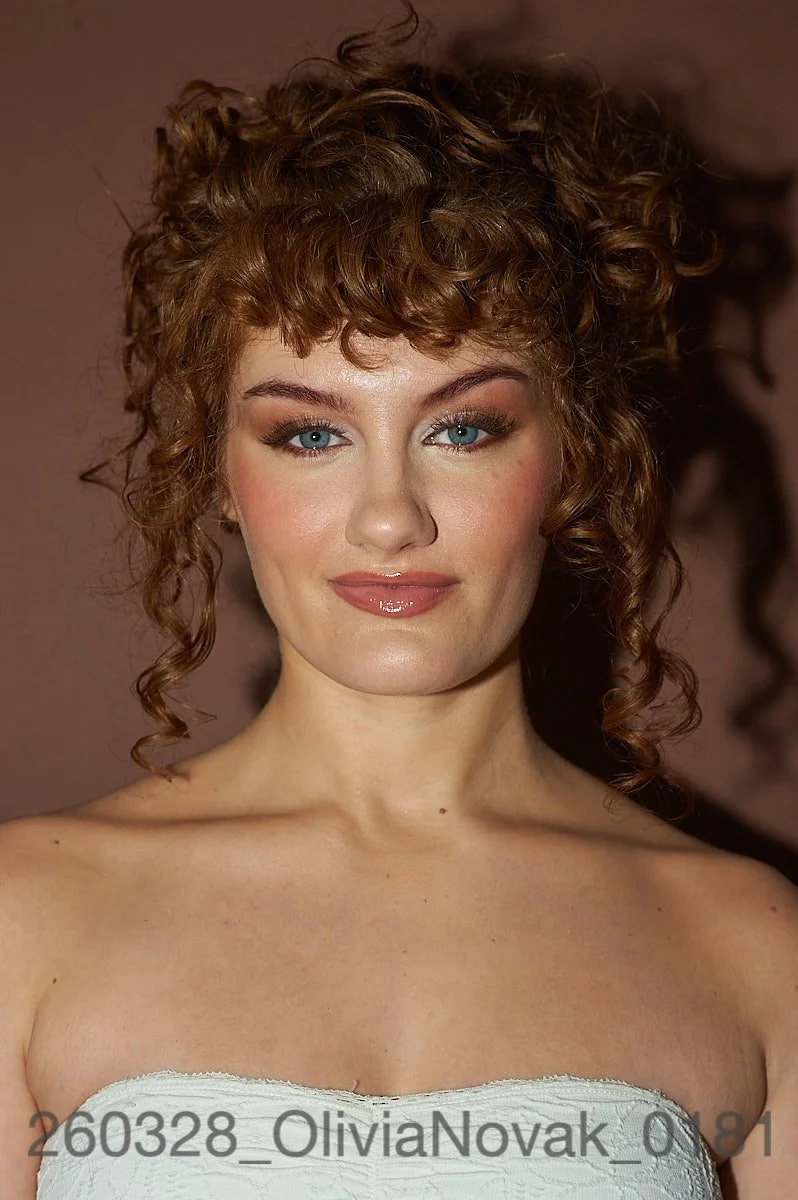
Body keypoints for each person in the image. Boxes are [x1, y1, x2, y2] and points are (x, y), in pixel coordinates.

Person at [2, 4, 796, 1197]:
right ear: (216, 472)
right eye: (310, 433)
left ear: (573, 457)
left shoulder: (751, 947)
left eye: (463, 429)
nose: (390, 517)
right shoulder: (23, 921)